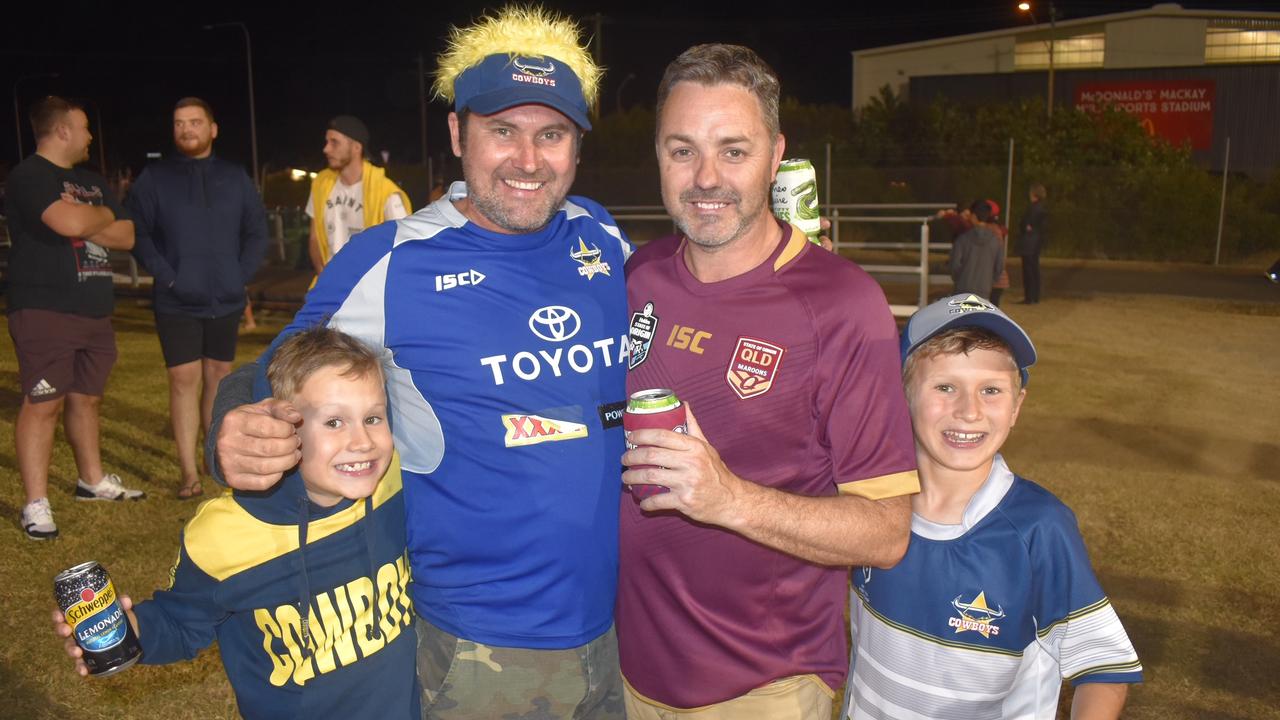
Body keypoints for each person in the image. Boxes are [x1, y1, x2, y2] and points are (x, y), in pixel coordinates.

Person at [209, 6, 627, 718]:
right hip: (477, 651)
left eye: (551, 134)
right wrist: (233, 428)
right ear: (459, 132)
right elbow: (270, 372)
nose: (529, 160)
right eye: (503, 131)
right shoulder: (391, 260)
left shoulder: (601, 232)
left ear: (577, 144)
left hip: (617, 632)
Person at [618, 44, 919, 719]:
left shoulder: (842, 304)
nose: (705, 178)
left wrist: (728, 499)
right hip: (626, 673)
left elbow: (885, 533)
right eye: (681, 150)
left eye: (733, 150)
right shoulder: (641, 274)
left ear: (775, 155)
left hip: (763, 687)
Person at [52, 325, 419, 719]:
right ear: (279, 428)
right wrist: (132, 632)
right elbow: (180, 622)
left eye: (373, 418)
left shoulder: (395, 483)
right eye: (334, 422)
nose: (362, 441)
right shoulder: (224, 536)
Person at [844, 293, 1143, 719]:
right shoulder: (869, 502)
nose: (969, 411)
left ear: (1017, 406)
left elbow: (1103, 669)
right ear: (902, 395)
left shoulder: (1038, 528)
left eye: (991, 390)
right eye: (945, 387)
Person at [7, 96, 142, 540]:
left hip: (94, 310)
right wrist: (94, 217)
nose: (90, 136)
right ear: (62, 130)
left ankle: (91, 480)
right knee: (43, 402)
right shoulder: (29, 176)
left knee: (87, 399)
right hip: (46, 309)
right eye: (84, 128)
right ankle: (36, 503)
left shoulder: (91, 180)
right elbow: (67, 223)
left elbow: (126, 234)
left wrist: (91, 219)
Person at [128, 97, 269, 499]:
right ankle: (188, 472)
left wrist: (238, 276)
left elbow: (257, 230)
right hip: (176, 299)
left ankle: (213, 458)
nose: (186, 129)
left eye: (194, 122)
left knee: (219, 378)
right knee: (182, 380)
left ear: (212, 128)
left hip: (224, 297)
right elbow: (137, 230)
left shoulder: (234, 176)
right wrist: (168, 277)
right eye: (178, 123)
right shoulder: (155, 178)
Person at [306, 115, 410, 276]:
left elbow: (405, 247)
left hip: (370, 292)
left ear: (356, 147)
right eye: (327, 142)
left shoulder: (385, 192)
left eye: (334, 142)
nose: (326, 149)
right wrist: (325, 280)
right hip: (331, 290)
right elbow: (314, 239)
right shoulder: (321, 184)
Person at [948, 198, 1005, 300]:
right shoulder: (995, 241)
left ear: (974, 216)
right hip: (985, 289)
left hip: (962, 288)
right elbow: (999, 266)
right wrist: (990, 282)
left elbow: (954, 264)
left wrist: (959, 279)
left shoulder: (962, 239)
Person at [1019, 182, 1048, 304]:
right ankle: (1035, 296)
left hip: (1029, 242)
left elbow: (1025, 224)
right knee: (1035, 269)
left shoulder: (1033, 208)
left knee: (1028, 270)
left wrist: (1026, 227)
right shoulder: (1042, 208)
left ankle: (1029, 297)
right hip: (1036, 242)